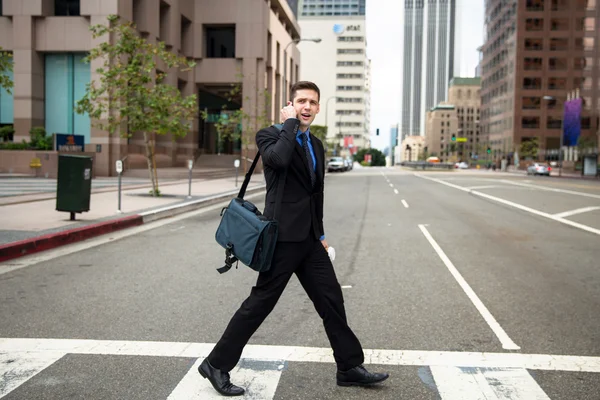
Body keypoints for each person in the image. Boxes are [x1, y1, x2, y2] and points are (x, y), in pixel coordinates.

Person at [198, 81, 389, 396]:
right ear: (290, 104)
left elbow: (317, 193)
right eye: (302, 101)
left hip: (310, 240)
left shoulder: (316, 144)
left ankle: (349, 367)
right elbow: (279, 161)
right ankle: (216, 364)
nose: (308, 108)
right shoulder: (271, 135)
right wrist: (289, 124)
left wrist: (322, 235)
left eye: (313, 102)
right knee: (260, 303)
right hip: (282, 238)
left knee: (331, 299)